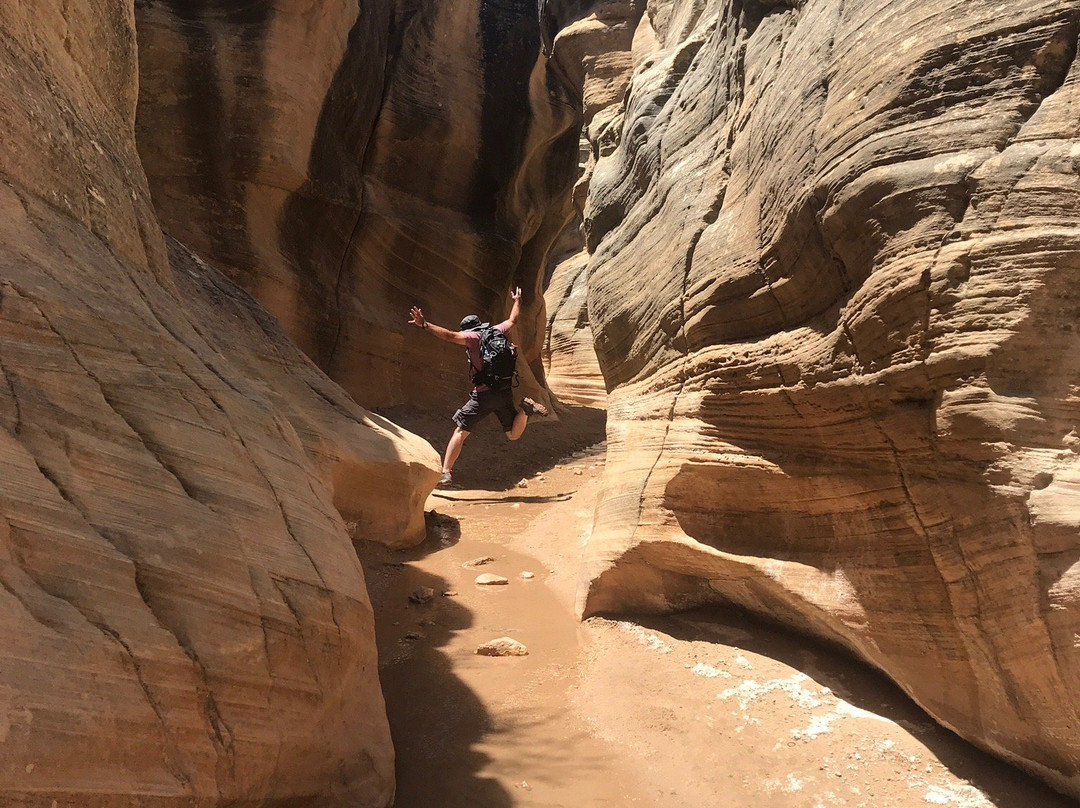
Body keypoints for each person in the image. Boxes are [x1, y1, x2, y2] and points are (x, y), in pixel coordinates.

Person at [408, 287, 548, 488]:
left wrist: (424, 325)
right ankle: (525, 411)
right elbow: (513, 320)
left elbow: (448, 336)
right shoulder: (496, 330)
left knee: (460, 432)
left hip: (483, 394)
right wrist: (517, 300)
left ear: (468, 330)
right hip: (504, 391)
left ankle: (446, 472)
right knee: (512, 434)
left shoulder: (472, 338)